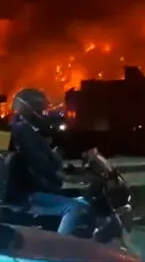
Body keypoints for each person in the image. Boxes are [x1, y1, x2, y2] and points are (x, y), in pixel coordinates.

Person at [5, 88, 91, 236]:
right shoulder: (22, 131)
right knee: (72, 208)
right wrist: (65, 175)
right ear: (29, 108)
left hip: (30, 188)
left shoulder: (24, 129)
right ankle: (59, 249)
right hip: (27, 193)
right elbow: (39, 161)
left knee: (82, 200)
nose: (44, 113)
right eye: (40, 109)